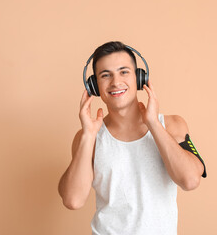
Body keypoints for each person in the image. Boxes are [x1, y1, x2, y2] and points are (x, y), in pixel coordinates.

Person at [58, 41, 207, 235]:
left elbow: (190, 180)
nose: (115, 82)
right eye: (105, 75)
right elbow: (73, 200)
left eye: (124, 72)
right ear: (94, 86)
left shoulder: (172, 125)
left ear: (139, 78)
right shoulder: (88, 137)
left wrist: (153, 123)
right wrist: (88, 135)